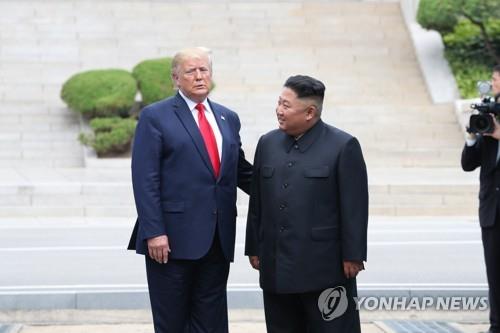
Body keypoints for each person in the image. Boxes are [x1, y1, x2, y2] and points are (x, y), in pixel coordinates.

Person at [128, 47, 252, 333]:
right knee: (172, 321)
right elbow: (145, 179)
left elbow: (239, 171)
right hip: (170, 241)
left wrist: (284, 191)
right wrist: (154, 231)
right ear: (175, 79)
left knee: (213, 320)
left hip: (217, 238)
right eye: (190, 71)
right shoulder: (155, 116)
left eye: (204, 70)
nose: (199, 76)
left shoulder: (227, 118)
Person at [245, 75, 369, 333]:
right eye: (279, 102)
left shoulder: (342, 145)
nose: (279, 110)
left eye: (286, 105)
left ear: (310, 111)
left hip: (325, 268)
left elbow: (355, 207)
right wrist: (254, 247)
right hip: (276, 266)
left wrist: (353, 255)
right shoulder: (267, 143)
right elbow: (257, 202)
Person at [462, 64, 500, 333]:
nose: (494, 84)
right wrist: (473, 136)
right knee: (495, 276)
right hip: (492, 211)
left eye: (498, 80)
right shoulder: (487, 115)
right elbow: (467, 164)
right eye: (494, 80)